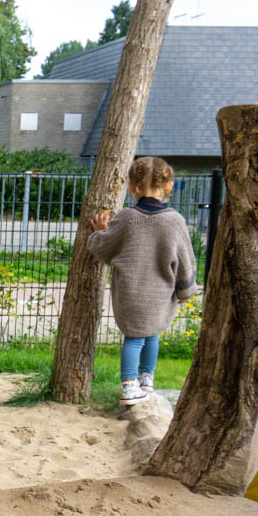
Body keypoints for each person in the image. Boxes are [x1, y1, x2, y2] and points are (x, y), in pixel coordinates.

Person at [87, 157, 200, 406]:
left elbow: (104, 249)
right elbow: (185, 260)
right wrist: (185, 291)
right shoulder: (174, 221)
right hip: (160, 293)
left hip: (129, 292)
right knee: (148, 334)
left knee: (137, 335)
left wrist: (99, 233)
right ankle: (133, 385)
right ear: (168, 185)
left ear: (131, 186)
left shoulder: (126, 218)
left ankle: (141, 382)